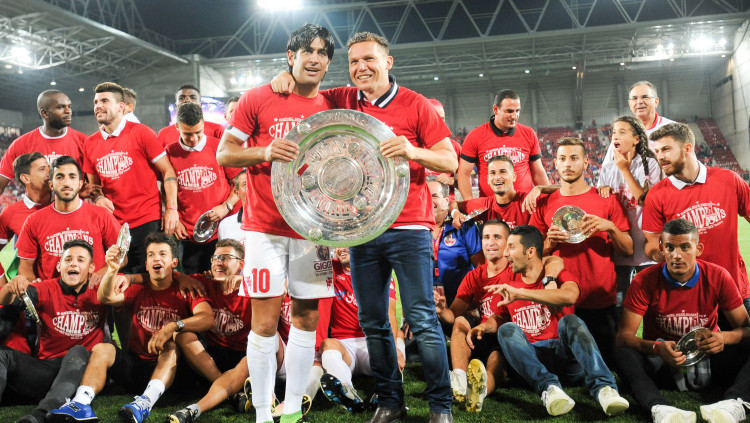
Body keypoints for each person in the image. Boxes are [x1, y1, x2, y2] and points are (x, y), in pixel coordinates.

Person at [270, 30, 458, 423]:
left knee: (422, 318)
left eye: (369, 59)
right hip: (361, 231)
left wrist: (412, 150)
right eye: (354, 61)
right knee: (373, 320)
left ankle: (440, 407)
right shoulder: (344, 99)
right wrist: (286, 77)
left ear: (387, 62)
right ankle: (391, 402)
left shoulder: (415, 104)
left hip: (409, 227)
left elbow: (449, 161)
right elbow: (306, 91)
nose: (361, 68)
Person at [216, 24, 336, 423]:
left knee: (306, 320)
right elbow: (224, 154)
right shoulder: (258, 98)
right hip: (264, 228)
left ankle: (293, 409)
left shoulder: (333, 103)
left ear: (328, 62)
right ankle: (263, 414)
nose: (315, 58)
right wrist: (264, 151)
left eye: (322, 53)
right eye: (307, 51)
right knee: (264, 323)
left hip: (312, 231)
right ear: (291, 56)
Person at [48, 233, 213, 423]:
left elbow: (207, 318)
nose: (156, 258)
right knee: (103, 348)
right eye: (151, 255)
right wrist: (112, 269)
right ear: (146, 263)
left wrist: (173, 327)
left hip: (174, 374)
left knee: (170, 345)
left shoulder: (186, 288)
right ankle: (80, 403)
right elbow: (105, 297)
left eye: (162, 254)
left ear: (174, 262)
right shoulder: (136, 288)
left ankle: (145, 403)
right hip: (137, 368)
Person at [471, 225, 630, 417]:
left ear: (530, 252)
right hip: (533, 359)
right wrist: (484, 326)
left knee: (570, 321)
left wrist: (521, 293)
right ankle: (549, 389)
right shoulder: (507, 279)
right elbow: (500, 316)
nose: (505, 254)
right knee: (506, 329)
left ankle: (605, 389)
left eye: (511, 247)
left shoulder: (558, 273)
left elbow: (569, 297)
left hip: (566, 360)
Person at [614, 218, 750, 423]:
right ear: (662, 249)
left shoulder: (718, 276)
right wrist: (656, 347)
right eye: (670, 247)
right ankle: (659, 408)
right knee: (622, 353)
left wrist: (724, 337)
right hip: (663, 364)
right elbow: (624, 338)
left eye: (685, 247)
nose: (677, 255)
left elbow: (746, 329)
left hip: (710, 361)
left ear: (698, 249)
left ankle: (735, 403)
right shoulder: (644, 280)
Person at [436, 220, 562, 412]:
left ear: (508, 243)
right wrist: (442, 310)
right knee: (461, 321)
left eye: (497, 237)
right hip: (481, 335)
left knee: (499, 355)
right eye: (486, 237)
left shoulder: (518, 268)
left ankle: (480, 391)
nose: (491, 242)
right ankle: (459, 381)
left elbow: (553, 260)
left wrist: (550, 279)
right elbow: (453, 315)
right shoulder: (474, 276)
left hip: (509, 338)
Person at [529, 137, 632, 365]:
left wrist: (610, 227)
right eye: (563, 158)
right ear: (555, 163)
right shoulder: (544, 204)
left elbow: (628, 249)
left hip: (600, 300)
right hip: (561, 300)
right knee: (569, 370)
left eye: (574, 158)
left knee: (609, 363)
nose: (568, 164)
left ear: (586, 162)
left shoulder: (606, 199)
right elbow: (532, 256)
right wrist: (549, 243)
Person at [643, 123, 750, 311]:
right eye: (657, 151)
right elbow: (651, 243)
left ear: (687, 149)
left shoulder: (729, 180)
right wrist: (665, 255)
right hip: (686, 295)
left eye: (666, 149)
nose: (660, 156)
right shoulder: (656, 195)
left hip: (734, 290)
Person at [0, 240, 109, 423]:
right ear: (59, 266)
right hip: (46, 371)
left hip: (82, 375)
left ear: (91, 268)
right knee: (2, 354)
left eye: (80, 260)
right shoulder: (45, 288)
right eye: (68, 259)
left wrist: (122, 275)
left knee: (79, 350)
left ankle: (40, 416)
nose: (73, 263)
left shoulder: (102, 292)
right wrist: (10, 288)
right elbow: (7, 301)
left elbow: (126, 289)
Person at [83, 82, 179, 274]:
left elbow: (168, 171)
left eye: (104, 101)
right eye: (95, 102)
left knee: (149, 279)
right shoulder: (90, 143)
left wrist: (171, 208)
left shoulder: (141, 132)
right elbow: (94, 188)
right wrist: (98, 197)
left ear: (121, 106)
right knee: (118, 280)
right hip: (114, 226)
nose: (98, 106)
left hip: (147, 220)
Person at [167, 239, 256, 422]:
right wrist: (182, 277)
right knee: (183, 335)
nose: (218, 263)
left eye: (225, 258)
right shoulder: (204, 282)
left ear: (241, 264)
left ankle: (218, 393)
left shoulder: (253, 288)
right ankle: (232, 392)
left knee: (255, 355)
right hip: (212, 357)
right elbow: (164, 274)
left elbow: (283, 284)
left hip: (244, 356)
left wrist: (246, 279)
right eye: (215, 258)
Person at [317, 247, 402, 413]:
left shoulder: (378, 272)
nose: (341, 249)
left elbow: (390, 314)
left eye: (347, 243)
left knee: (398, 338)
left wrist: (392, 350)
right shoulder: (330, 270)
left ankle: (383, 393)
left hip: (373, 341)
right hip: (344, 346)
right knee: (327, 344)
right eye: (338, 245)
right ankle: (347, 392)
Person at [15, 156, 121, 283]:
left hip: (94, 293)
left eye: (72, 177)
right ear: (51, 185)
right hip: (52, 294)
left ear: (80, 184)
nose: (66, 183)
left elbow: (122, 257)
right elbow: (25, 267)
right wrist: (37, 289)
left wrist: (101, 273)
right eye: (60, 177)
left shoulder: (102, 215)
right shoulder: (33, 221)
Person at [597, 116, 662, 312]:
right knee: (620, 304)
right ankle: (621, 332)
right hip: (620, 246)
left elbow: (646, 200)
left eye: (622, 132)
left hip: (646, 247)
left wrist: (625, 169)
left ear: (636, 139)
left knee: (653, 305)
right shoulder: (607, 168)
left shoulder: (649, 164)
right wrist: (603, 192)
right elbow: (601, 206)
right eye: (614, 132)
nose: (615, 136)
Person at [166, 102, 240, 274]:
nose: (194, 138)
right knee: (192, 283)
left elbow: (240, 182)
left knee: (221, 281)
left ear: (203, 124)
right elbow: (166, 189)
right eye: (187, 134)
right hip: (188, 234)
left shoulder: (219, 147)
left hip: (221, 231)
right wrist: (176, 218)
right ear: (177, 127)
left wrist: (226, 206)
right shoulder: (170, 152)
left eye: (198, 132)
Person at [457, 89, 548, 199]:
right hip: (489, 207)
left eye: (517, 111)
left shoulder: (529, 133)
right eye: (509, 111)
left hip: (524, 204)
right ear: (496, 109)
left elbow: (538, 173)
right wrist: (470, 203)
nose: (514, 116)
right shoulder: (475, 136)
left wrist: (547, 200)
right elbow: (464, 173)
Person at [0, 90, 86, 195]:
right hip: (36, 205)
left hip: (73, 205)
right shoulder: (20, 144)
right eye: (60, 107)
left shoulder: (84, 142)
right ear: (44, 113)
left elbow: (95, 185)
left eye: (69, 106)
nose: (68, 111)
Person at [451, 154, 552, 231]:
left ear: (514, 176)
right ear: (488, 179)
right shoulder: (484, 205)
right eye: (493, 173)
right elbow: (452, 204)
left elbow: (561, 192)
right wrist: (455, 213)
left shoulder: (528, 201)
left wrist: (540, 188)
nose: (497, 177)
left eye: (503, 172)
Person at [428, 176, 482, 308]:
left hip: (461, 303)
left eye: (434, 196)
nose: (429, 201)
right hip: (427, 306)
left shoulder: (463, 225)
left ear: (446, 200)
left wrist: (474, 303)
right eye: (425, 196)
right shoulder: (416, 230)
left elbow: (480, 267)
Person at [601, 81, 676, 167]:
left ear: (656, 101)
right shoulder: (621, 132)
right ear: (630, 104)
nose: (639, 102)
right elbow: (606, 168)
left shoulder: (674, 129)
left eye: (645, 97)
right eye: (634, 98)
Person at [157, 85, 225, 147]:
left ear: (200, 105)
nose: (187, 100)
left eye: (193, 97)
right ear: (176, 105)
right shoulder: (164, 133)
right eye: (181, 98)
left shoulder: (217, 130)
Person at [425, 99, 461, 200]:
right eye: (435, 117)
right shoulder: (412, 147)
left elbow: (467, 183)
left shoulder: (455, 147)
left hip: (446, 207)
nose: (440, 123)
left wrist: (451, 180)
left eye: (442, 118)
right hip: (420, 206)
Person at [217, 170, 247, 243]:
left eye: (254, 184)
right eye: (245, 185)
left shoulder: (272, 221)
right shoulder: (225, 226)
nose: (251, 189)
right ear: (237, 193)